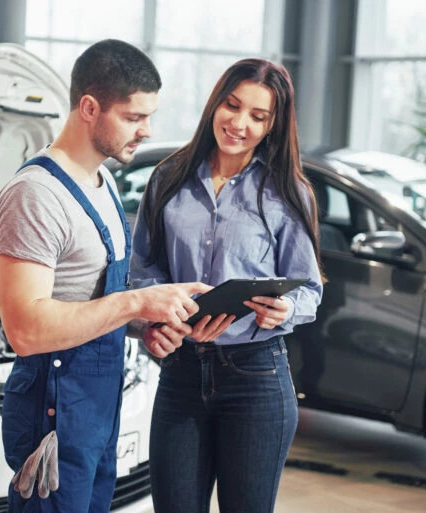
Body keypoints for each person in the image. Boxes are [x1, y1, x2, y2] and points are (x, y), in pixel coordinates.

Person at [0, 39, 209, 513]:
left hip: (97, 409)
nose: (146, 131)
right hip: (53, 411)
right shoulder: (36, 194)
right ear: (89, 108)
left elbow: (87, 296)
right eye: (133, 117)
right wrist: (136, 302)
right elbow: (25, 330)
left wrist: (145, 324)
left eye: (149, 117)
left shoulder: (103, 181)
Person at [130, 58, 324, 513]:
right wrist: (154, 323)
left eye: (258, 116)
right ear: (216, 103)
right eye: (232, 106)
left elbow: (309, 291)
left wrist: (285, 309)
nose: (239, 124)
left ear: (273, 126)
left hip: (256, 378)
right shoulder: (168, 178)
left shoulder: (288, 191)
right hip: (180, 373)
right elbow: (144, 269)